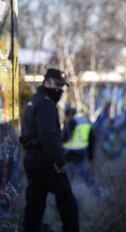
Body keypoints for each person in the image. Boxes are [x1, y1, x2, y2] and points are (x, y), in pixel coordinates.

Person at [20, 68, 79, 232]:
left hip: (31, 158)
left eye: (62, 86)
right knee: (67, 202)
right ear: (46, 82)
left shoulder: (34, 101)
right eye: (57, 84)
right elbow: (48, 135)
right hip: (45, 159)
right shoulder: (46, 104)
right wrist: (59, 161)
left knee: (35, 203)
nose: (60, 89)